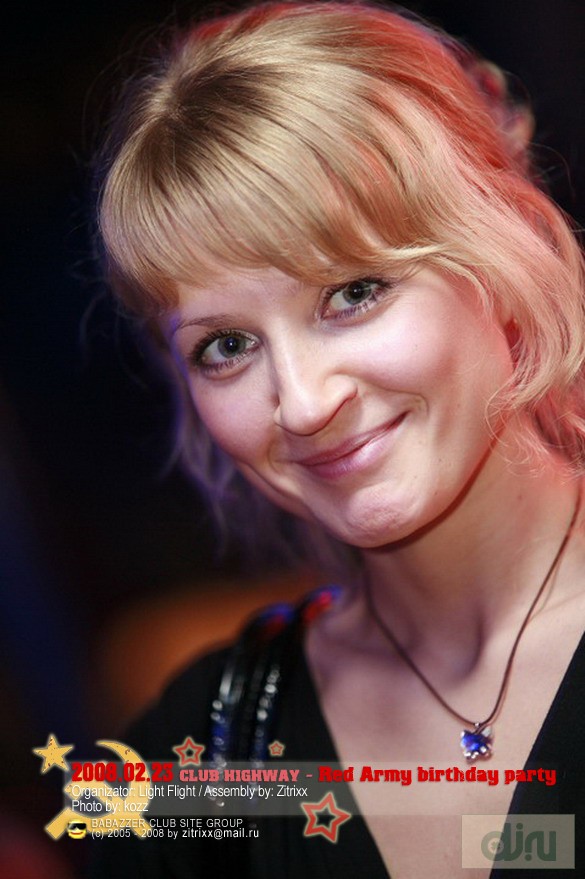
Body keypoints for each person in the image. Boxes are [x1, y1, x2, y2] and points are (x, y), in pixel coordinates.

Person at [92, 2, 585, 876]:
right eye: (226, 346)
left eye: (352, 292)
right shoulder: (203, 761)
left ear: (498, 248)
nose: (303, 403)